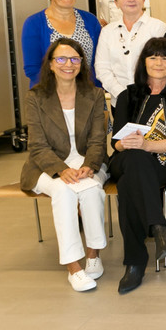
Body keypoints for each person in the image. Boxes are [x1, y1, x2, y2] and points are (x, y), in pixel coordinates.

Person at [20, 38, 108, 292]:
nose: (68, 64)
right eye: (61, 58)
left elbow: (97, 139)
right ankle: (74, 268)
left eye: (74, 59)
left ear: (81, 63)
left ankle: (93, 255)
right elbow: (37, 145)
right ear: (50, 64)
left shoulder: (94, 94)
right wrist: (60, 169)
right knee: (63, 191)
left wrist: (90, 165)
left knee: (92, 189)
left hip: (86, 161)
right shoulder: (36, 97)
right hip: (45, 165)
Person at [110, 38, 166, 294]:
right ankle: (158, 225)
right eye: (153, 57)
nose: (159, 62)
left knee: (128, 183)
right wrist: (128, 144)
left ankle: (134, 264)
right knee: (135, 159)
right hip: (126, 157)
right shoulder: (127, 95)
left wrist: (146, 145)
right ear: (143, 62)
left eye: (165, 58)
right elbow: (115, 143)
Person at [22, 0, 102, 89]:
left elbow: (99, 61)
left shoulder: (90, 20)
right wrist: (64, 90)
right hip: (49, 92)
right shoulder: (34, 23)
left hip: (88, 90)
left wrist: (86, 88)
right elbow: (32, 68)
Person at [94, 0, 166, 108]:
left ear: (143, 0)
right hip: (119, 100)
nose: (131, 0)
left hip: (152, 98)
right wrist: (121, 93)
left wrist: (149, 91)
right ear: (116, 2)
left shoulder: (158, 27)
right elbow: (102, 67)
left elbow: (163, 64)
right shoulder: (107, 31)